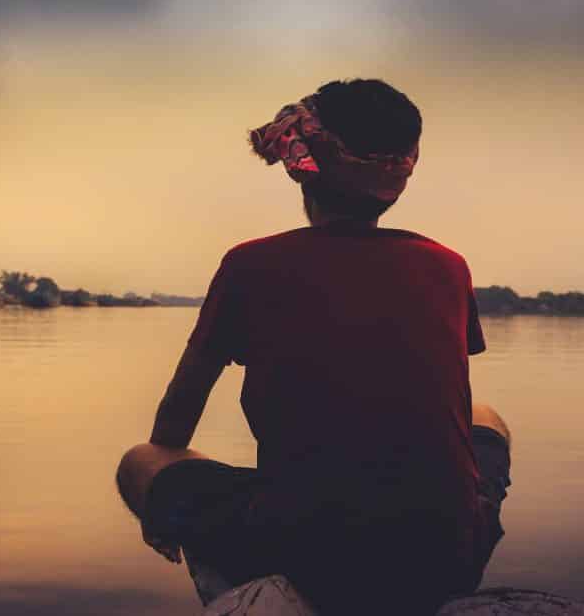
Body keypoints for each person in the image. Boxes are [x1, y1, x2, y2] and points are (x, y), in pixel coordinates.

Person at [116, 78, 512, 614]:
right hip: (447, 553)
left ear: (302, 168)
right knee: (488, 415)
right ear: (400, 177)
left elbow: (179, 412)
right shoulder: (447, 265)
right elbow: (452, 409)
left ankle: (233, 559)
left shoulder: (250, 265)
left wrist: (165, 503)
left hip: (306, 550)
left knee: (142, 460)